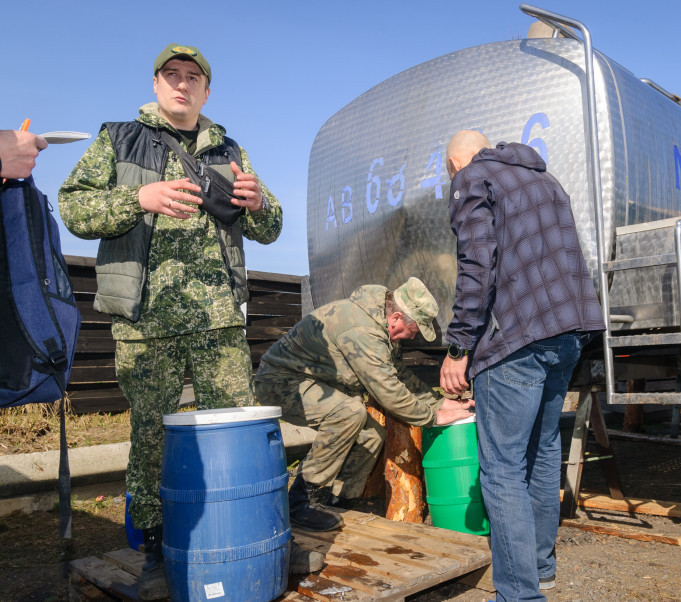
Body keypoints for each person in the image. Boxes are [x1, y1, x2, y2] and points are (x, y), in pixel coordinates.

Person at [58, 44, 287, 599]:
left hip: (218, 324)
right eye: (172, 76)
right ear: (156, 85)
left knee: (232, 432)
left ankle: (234, 538)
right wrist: (139, 196)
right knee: (151, 439)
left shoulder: (230, 149)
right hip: (145, 322)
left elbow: (272, 226)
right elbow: (72, 207)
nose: (182, 85)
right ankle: (157, 550)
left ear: (207, 91)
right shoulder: (118, 139)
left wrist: (260, 205)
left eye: (193, 78)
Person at [440, 130, 605, 601]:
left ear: (455, 164)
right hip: (569, 332)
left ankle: (519, 594)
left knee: (502, 468)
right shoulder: (545, 179)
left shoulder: (471, 178)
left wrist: (459, 347)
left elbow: (477, 264)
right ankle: (540, 569)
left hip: (515, 341)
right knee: (543, 450)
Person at [254, 277, 475, 531]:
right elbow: (388, 392)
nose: (411, 337)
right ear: (397, 319)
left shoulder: (379, 322)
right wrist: (433, 418)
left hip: (316, 382)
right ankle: (301, 502)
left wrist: (439, 404)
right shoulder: (363, 330)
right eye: (413, 331)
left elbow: (398, 375)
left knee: (372, 432)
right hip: (281, 382)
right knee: (349, 413)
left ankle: (339, 501)